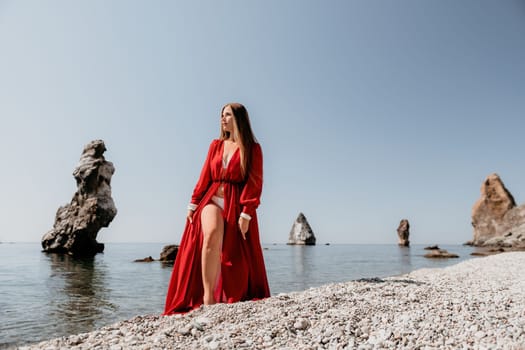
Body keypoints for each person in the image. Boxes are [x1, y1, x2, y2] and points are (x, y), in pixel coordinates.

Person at [163, 103, 270, 314]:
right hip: (210, 200)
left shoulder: (253, 148)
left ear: (239, 118)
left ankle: (232, 294)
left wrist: (247, 212)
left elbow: (255, 182)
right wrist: (193, 204)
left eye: (227, 115)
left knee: (234, 253)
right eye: (221, 115)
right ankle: (208, 296)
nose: (222, 119)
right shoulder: (215, 145)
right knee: (211, 235)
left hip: (236, 204)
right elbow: (205, 176)